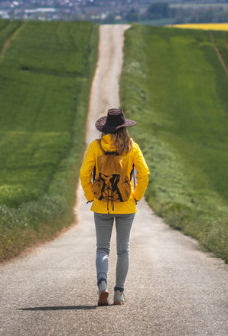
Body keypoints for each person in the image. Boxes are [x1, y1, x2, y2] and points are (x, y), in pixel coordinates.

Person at [80, 108, 150, 306]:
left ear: (105, 129)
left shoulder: (96, 146)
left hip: (101, 204)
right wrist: (136, 197)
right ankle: (119, 293)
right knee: (123, 250)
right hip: (126, 205)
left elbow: (85, 173)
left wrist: (90, 196)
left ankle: (103, 286)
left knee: (102, 248)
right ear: (124, 128)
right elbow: (144, 173)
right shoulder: (131, 147)